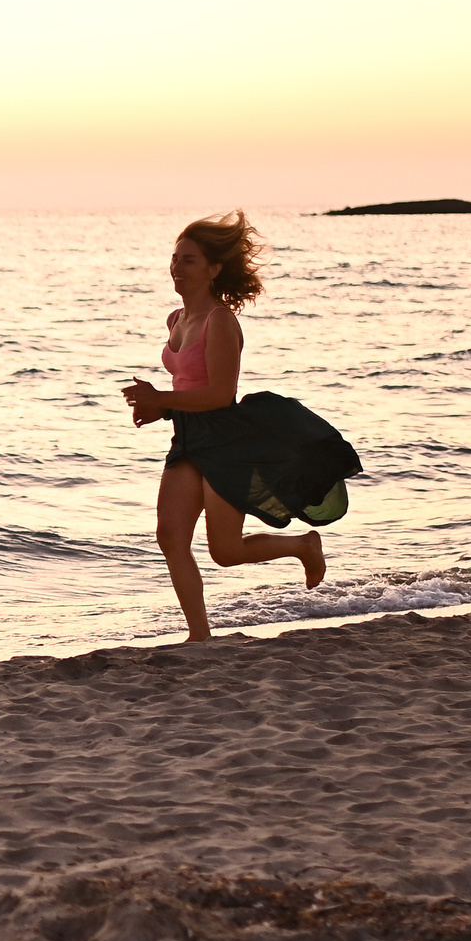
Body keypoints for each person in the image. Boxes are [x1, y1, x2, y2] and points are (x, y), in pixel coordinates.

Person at [122, 212, 358, 642]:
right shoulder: (175, 320)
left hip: (225, 444)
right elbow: (189, 389)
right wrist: (162, 409)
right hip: (188, 440)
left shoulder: (221, 321)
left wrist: (162, 399)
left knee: (225, 552)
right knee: (170, 538)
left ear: (214, 269)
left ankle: (303, 546)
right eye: (175, 258)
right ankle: (199, 636)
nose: (177, 267)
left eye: (188, 260)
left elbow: (218, 395)